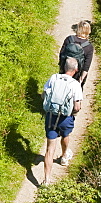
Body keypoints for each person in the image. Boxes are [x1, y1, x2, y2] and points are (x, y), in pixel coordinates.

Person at [42, 56, 84, 186]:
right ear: (76, 70)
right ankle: (64, 156)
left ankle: (46, 180)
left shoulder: (53, 78)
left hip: (51, 116)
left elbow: (44, 95)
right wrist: (73, 113)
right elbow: (77, 106)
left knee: (50, 148)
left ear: (64, 67)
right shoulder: (75, 84)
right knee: (65, 135)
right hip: (65, 118)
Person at [59, 19, 93, 87]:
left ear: (78, 28)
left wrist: (61, 68)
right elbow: (86, 65)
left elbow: (61, 54)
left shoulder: (69, 39)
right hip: (78, 75)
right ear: (88, 31)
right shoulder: (89, 46)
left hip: (65, 71)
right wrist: (81, 78)